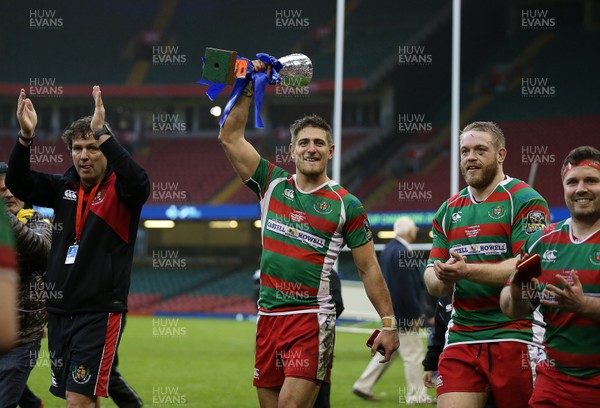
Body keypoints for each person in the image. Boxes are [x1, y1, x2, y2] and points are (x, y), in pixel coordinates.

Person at [218, 60, 399, 408]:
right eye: (303, 143)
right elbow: (229, 137)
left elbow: (369, 268)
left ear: (331, 151)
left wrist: (389, 323)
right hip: (268, 317)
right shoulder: (270, 185)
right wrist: (251, 88)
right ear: (292, 150)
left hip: (311, 319)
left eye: (319, 142)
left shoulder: (347, 204)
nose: (311, 148)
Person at [6, 87, 150, 407]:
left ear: (106, 151)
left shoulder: (122, 192)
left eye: (93, 147)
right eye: (77, 148)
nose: (84, 155)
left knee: (77, 399)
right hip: (58, 313)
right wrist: (25, 137)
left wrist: (104, 133)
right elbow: (18, 183)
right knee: (82, 398)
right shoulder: (63, 187)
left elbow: (140, 182)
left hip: (99, 311)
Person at [423, 121, 550, 408]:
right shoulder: (449, 209)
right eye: (465, 151)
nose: (471, 157)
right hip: (461, 336)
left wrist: (467, 271)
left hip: (517, 334)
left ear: (501, 154)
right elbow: (432, 278)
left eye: (481, 150)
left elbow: (527, 267)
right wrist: (443, 276)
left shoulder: (525, 200)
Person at [500, 146, 600, 407]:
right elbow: (512, 309)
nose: (581, 188)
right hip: (555, 381)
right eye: (572, 182)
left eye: (591, 180)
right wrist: (517, 289)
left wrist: (583, 305)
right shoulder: (541, 241)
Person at [352, 216, 432, 404]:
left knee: (390, 349)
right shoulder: (401, 252)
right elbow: (405, 288)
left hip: (394, 312)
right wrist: (415, 314)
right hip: (404, 314)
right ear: (409, 231)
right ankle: (418, 396)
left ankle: (363, 385)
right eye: (414, 229)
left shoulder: (389, 250)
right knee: (414, 354)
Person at [0, 162, 51, 408]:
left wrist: (3, 216)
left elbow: (40, 251)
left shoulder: (39, 222)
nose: (8, 193)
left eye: (12, 188)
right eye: (0, 190)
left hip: (22, 337)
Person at [0, 204, 18, 352]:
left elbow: (42, 248)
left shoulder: (37, 221)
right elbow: (4, 332)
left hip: (25, 338)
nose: (8, 194)